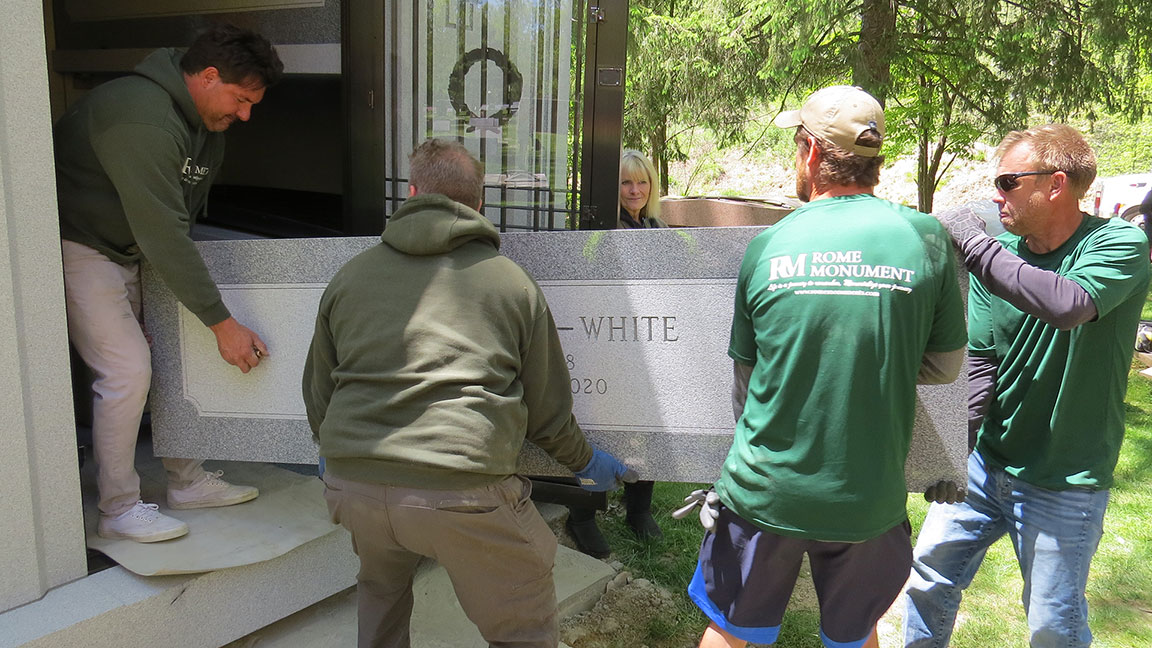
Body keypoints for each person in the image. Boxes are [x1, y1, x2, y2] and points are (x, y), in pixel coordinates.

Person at [302, 138, 637, 648]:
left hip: (356, 487)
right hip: (462, 493)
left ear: (411, 194)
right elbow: (547, 412)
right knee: (521, 627)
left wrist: (331, 454)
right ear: (478, 204)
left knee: (379, 591)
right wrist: (585, 461)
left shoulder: (349, 277)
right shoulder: (511, 283)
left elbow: (318, 388)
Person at [682, 85, 967, 648]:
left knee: (730, 632)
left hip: (763, 491)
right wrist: (874, 361)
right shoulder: (926, 238)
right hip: (868, 495)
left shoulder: (768, 245)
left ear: (810, 154)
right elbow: (945, 366)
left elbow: (747, 381)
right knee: (856, 634)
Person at [904, 124, 1151, 648]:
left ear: (1056, 184)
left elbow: (1067, 304)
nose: (997, 194)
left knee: (1052, 624)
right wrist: (950, 453)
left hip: (1065, 476)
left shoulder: (1118, 243)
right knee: (928, 579)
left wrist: (974, 244)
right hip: (986, 463)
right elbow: (982, 365)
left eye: (1009, 181)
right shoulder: (1000, 259)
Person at [54, 24, 283, 543]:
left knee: (173, 351)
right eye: (240, 99)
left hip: (138, 247)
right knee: (128, 370)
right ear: (206, 76)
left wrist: (195, 312)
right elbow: (162, 230)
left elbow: (179, 222)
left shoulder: (206, 127)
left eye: (253, 104)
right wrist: (222, 323)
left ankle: (187, 482)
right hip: (84, 244)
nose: (245, 115)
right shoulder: (142, 117)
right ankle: (118, 509)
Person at [565, 149, 665, 558]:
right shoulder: (597, 229)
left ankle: (637, 509)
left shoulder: (656, 227)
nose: (635, 190)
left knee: (648, 428)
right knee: (599, 430)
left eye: (642, 181)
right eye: (626, 182)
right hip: (604, 345)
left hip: (644, 347)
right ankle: (582, 515)